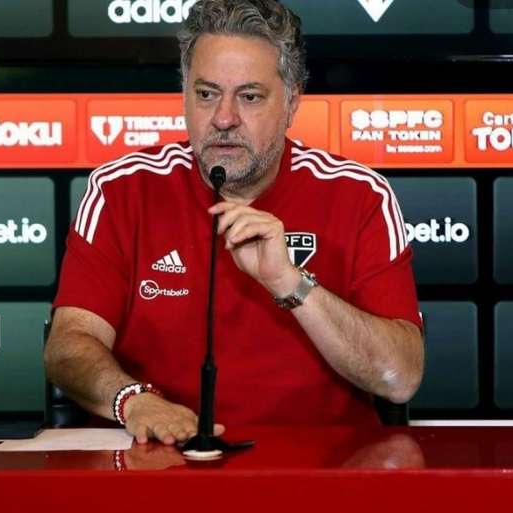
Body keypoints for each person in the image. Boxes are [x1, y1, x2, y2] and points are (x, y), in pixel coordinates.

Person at [45, 0, 424, 445]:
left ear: (293, 100)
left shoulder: (359, 195)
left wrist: (290, 283)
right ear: (183, 92)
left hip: (320, 478)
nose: (224, 119)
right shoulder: (121, 190)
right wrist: (132, 400)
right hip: (160, 469)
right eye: (206, 94)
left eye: (249, 97)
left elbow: (399, 377)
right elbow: (68, 346)